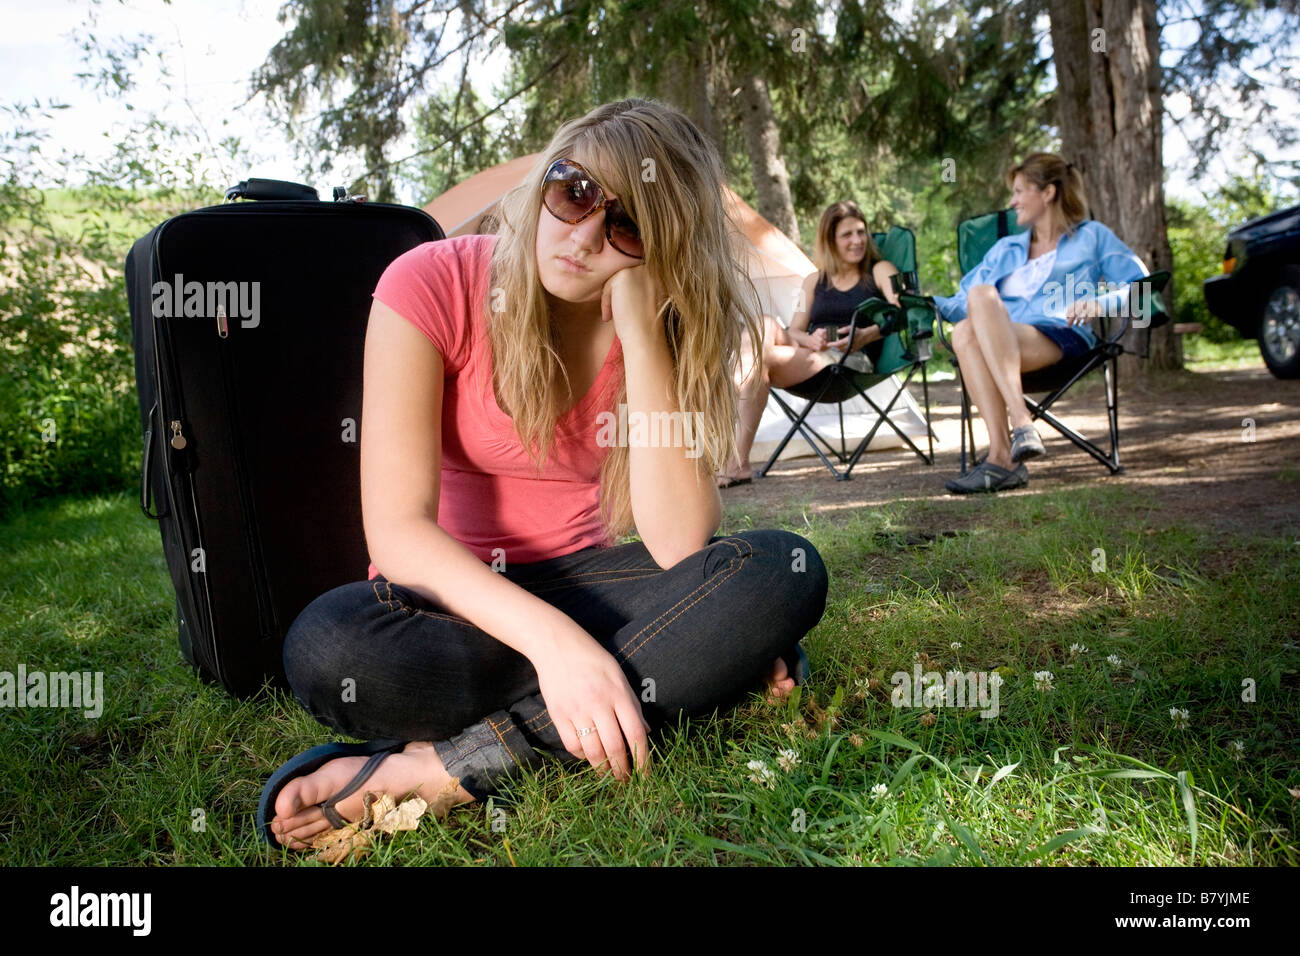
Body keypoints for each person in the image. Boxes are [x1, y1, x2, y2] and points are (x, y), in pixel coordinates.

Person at [258, 98, 829, 850]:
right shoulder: (429, 281)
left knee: (781, 570)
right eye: (576, 192)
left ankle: (438, 771)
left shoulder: (663, 326)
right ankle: (689, 669)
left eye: (629, 226)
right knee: (326, 647)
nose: (586, 235)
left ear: (664, 249)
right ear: (543, 183)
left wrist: (642, 336)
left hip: (595, 585)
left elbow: (681, 542)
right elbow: (397, 530)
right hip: (447, 606)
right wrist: (560, 647)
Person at [935, 152, 1151, 494]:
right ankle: (1006, 455)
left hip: (1061, 338)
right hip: (1002, 343)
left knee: (981, 296)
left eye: (1020, 191)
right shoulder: (1006, 248)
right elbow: (961, 300)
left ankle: (1019, 427)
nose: (1013, 201)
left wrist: (1100, 303)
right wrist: (920, 303)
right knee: (966, 322)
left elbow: (1143, 290)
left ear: (1048, 193)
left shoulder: (1092, 237)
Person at [716, 201, 901, 488]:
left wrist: (868, 334)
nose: (857, 241)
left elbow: (899, 312)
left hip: (850, 361)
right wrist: (811, 339)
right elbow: (796, 330)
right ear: (831, 240)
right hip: (814, 353)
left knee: (763, 358)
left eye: (861, 232)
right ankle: (738, 384)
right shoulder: (813, 281)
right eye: (847, 235)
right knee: (763, 322)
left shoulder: (879, 270)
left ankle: (735, 449)